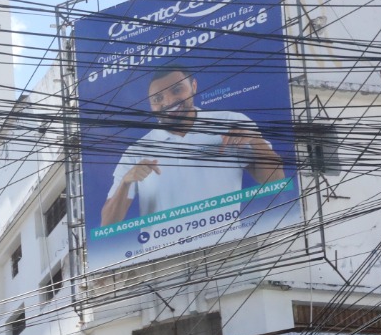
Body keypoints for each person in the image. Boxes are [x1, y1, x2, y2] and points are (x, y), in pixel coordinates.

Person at [99, 64, 285, 228]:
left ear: (193, 87)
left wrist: (255, 140)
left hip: (229, 248)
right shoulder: (136, 151)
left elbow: (275, 181)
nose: (169, 102)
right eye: (157, 99)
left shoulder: (231, 122)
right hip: (162, 259)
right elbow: (108, 224)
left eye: (177, 90)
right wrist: (126, 182)